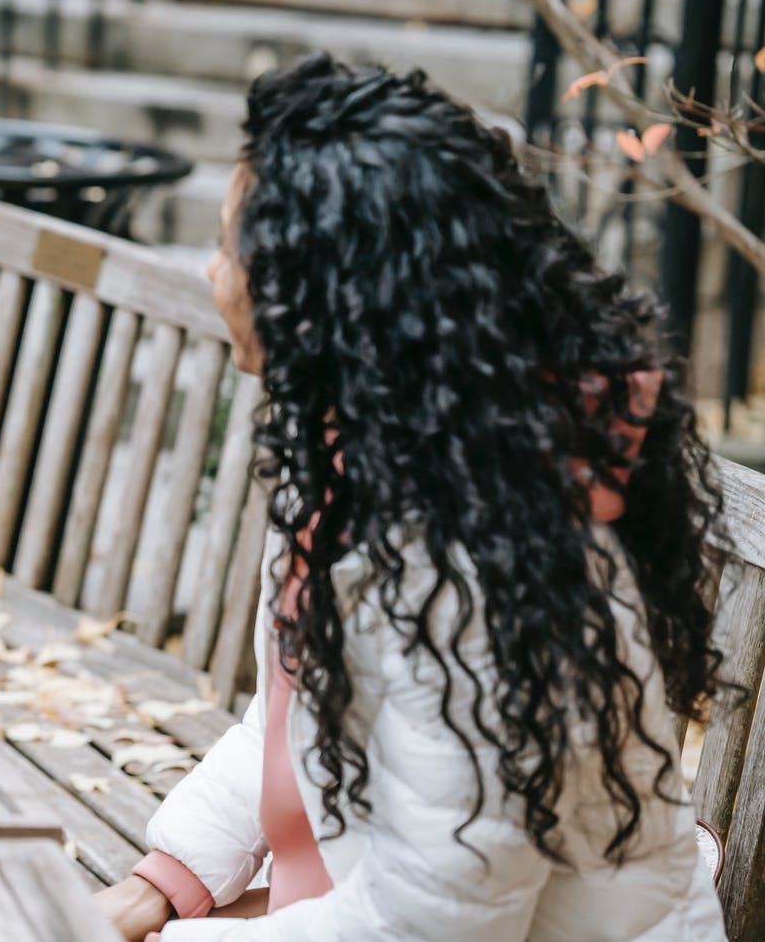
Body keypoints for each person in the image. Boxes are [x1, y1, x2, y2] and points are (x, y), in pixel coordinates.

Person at [95, 54, 727, 939]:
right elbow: (290, 727)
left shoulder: (487, 557)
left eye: (231, 242)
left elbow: (431, 923)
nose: (211, 270)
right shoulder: (378, 456)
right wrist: (163, 882)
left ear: (325, 291)